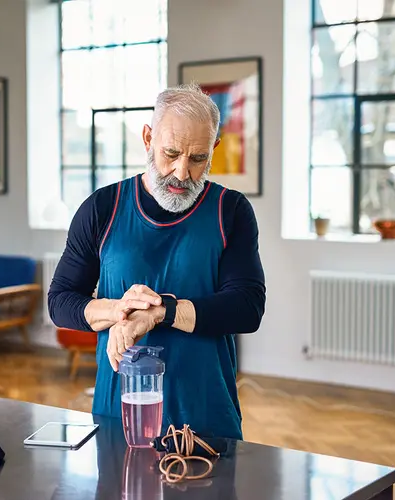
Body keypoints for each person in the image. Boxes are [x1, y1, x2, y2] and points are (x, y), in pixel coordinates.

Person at [48, 83, 266, 441]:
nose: (182, 173)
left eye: (198, 159)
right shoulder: (102, 209)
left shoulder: (232, 211)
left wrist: (160, 312)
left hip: (207, 420)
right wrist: (122, 309)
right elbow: (60, 302)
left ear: (213, 149)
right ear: (148, 138)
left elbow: (247, 308)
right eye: (172, 153)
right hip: (119, 419)